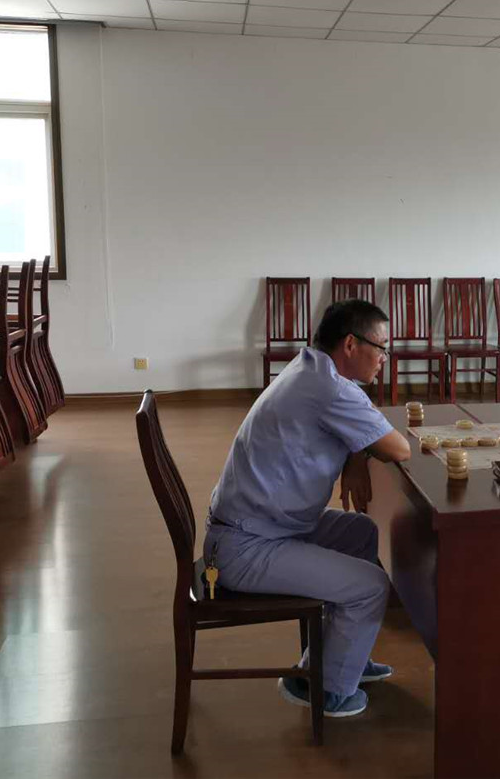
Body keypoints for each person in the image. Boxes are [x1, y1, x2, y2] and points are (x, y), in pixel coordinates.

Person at [203, 298, 411, 716]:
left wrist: (356, 457)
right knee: (371, 586)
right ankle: (326, 690)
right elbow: (398, 448)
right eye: (381, 348)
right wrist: (362, 452)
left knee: (361, 533)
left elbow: (363, 426)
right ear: (350, 344)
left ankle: (341, 656)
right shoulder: (329, 388)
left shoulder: (312, 369)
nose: (384, 359)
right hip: (247, 546)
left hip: (259, 524)